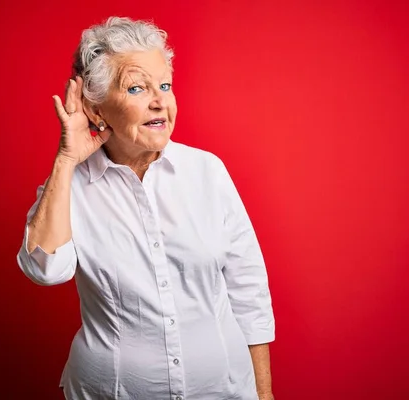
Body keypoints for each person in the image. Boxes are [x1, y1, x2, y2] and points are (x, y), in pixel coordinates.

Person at [16, 16, 276, 400]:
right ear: (96, 107)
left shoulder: (207, 171)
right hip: (110, 392)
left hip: (223, 390)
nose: (160, 101)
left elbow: (247, 288)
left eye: (165, 86)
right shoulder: (70, 185)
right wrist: (67, 160)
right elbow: (46, 270)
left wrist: (264, 393)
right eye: (137, 88)